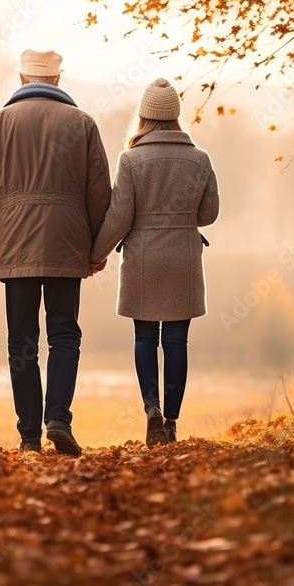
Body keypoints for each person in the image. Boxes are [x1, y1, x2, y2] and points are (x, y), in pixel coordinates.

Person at [0, 49, 112, 456]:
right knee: (64, 334)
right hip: (67, 244)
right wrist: (98, 249)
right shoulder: (83, 124)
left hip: (16, 244)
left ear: (22, 78)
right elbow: (99, 191)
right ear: (57, 79)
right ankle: (58, 418)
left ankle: (28, 435)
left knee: (22, 341)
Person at [90, 78, 220, 447]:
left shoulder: (130, 159)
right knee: (177, 340)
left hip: (143, 259)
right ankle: (172, 422)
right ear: (176, 115)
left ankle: (152, 409)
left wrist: (96, 256)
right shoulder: (200, 159)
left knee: (145, 337)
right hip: (183, 258)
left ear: (143, 116)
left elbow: (119, 217)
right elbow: (209, 213)